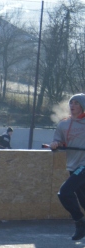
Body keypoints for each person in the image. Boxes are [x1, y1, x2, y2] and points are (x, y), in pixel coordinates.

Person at [50, 94, 85, 240]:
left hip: (84, 165)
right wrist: (55, 144)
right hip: (72, 165)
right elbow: (57, 140)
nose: (73, 105)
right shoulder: (63, 124)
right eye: (71, 103)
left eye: (76, 103)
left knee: (64, 192)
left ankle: (79, 222)